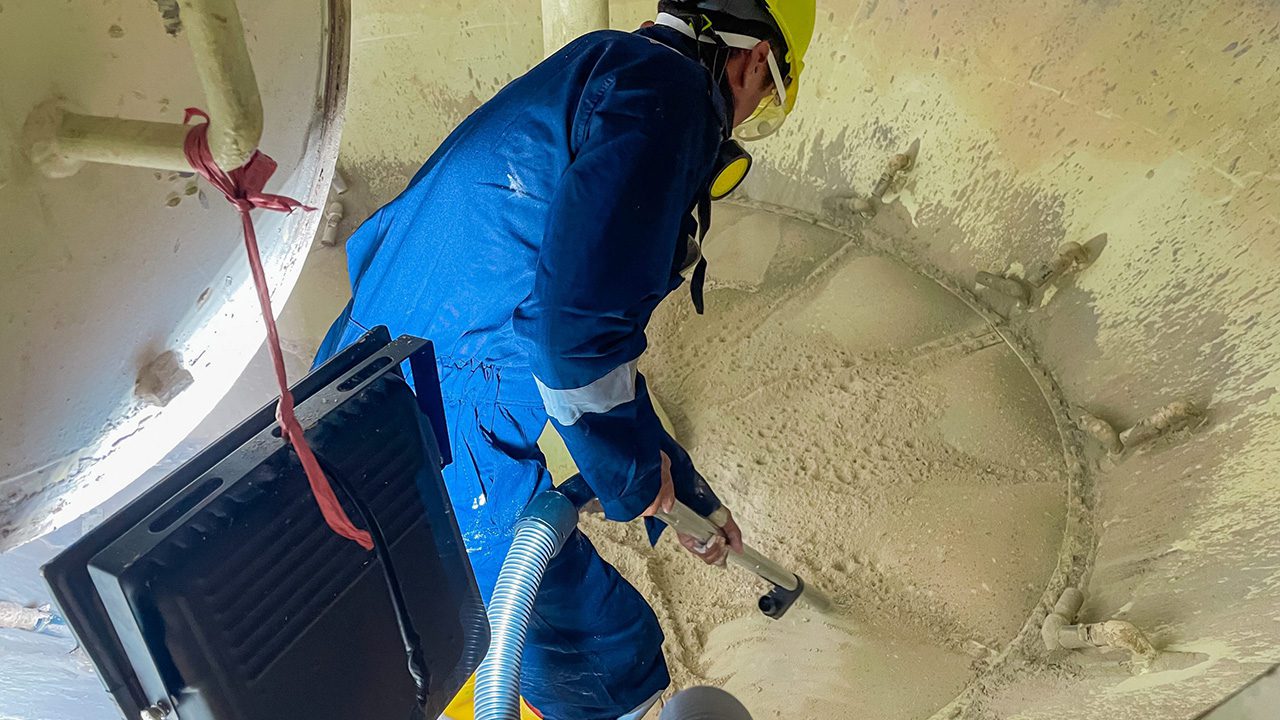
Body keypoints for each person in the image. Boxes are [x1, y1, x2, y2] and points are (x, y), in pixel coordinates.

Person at [313, 2, 815, 718]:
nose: (751, 111)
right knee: (608, 657)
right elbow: (570, 345)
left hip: (370, 358)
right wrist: (634, 476)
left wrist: (686, 493)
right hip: (440, 416)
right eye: (768, 96)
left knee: (414, 618)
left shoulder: (608, 65)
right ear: (755, 56)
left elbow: (587, 335)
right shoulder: (671, 104)